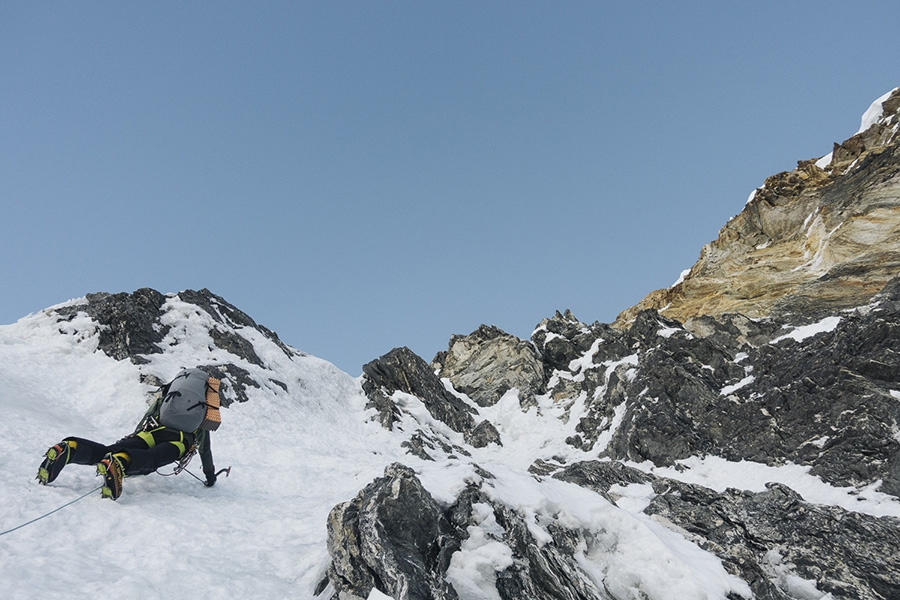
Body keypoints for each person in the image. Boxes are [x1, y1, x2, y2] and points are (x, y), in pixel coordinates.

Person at [37, 370, 219, 500]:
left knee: (110, 450)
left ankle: (72, 448)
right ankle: (121, 462)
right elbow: (205, 450)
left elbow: (148, 417)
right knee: (152, 459)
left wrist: (132, 439)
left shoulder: (168, 399)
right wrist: (210, 477)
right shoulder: (202, 412)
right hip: (178, 442)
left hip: (150, 432)